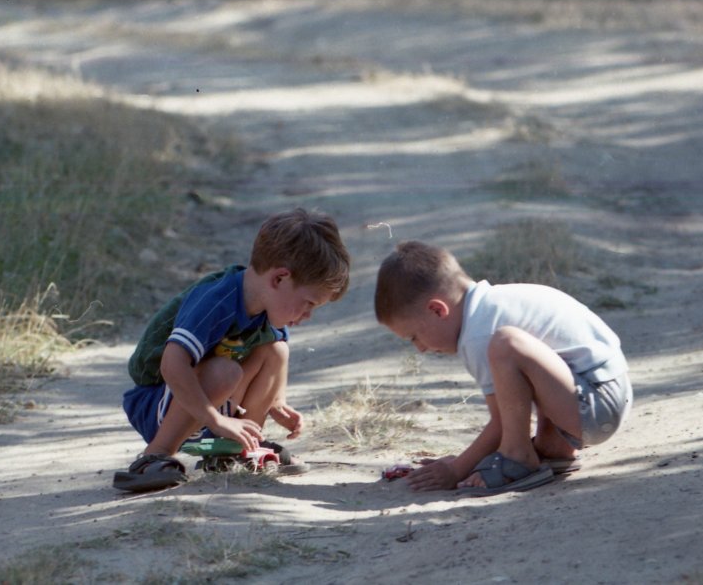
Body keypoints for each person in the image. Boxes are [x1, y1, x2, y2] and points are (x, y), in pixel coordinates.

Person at [113, 208, 350, 492]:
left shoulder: (267, 309)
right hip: (157, 401)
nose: (308, 314)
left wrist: (277, 404)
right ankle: (154, 455)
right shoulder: (217, 300)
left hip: (204, 402)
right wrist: (216, 420)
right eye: (309, 302)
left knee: (275, 351)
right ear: (280, 279)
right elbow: (172, 365)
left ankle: (236, 447)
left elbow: (275, 357)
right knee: (225, 371)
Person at [374, 241, 632, 496]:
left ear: (437, 310)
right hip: (606, 392)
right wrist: (468, 460)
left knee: (507, 344)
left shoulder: (479, 333)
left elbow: (501, 425)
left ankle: (517, 457)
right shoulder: (491, 305)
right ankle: (553, 448)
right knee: (522, 348)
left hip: (596, 406)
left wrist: (455, 470)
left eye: (413, 337)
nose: (419, 348)